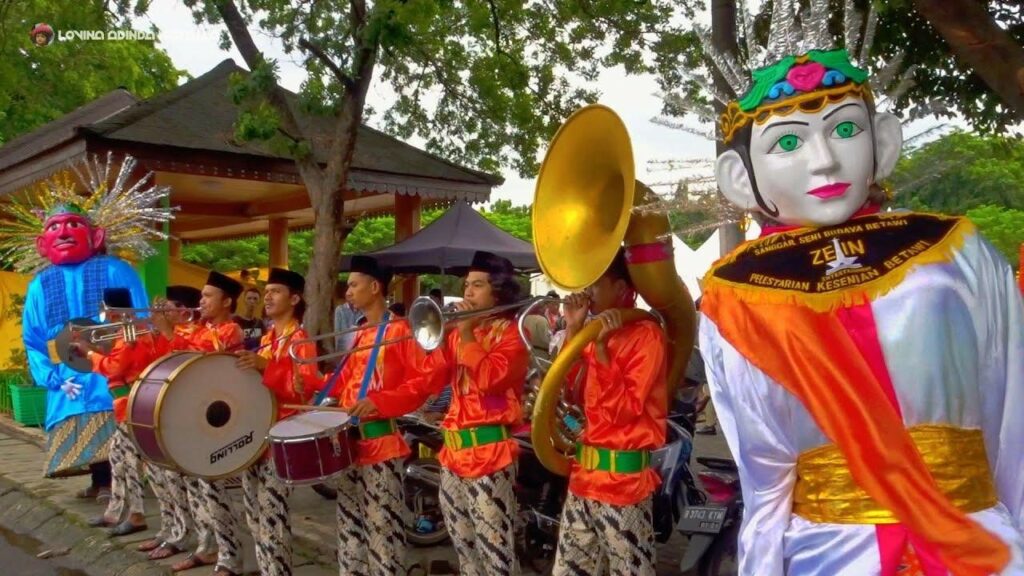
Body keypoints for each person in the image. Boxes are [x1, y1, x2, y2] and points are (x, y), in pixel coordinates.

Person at [700, 15, 1024, 574]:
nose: (823, 160)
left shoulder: (954, 250)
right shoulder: (735, 295)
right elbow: (765, 475)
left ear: (885, 142)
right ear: (739, 177)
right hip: (832, 551)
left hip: (978, 542)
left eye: (845, 130)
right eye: (787, 142)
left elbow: (1010, 411)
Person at [355, 250, 529, 576]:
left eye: (477, 286)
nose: (468, 293)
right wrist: (439, 341)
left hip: (489, 453)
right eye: (467, 285)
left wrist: (464, 335)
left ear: (499, 292)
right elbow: (431, 380)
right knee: (463, 545)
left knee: (495, 551)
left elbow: (491, 379)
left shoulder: (511, 333)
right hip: (453, 453)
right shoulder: (460, 333)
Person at [549, 249, 666, 575]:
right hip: (583, 480)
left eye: (596, 285)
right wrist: (573, 331)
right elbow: (569, 393)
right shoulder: (591, 332)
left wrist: (601, 350)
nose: (587, 293)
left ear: (621, 288)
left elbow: (625, 410)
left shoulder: (646, 335)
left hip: (622, 485)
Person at [22, 204, 148, 498]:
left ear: (97, 235)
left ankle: (119, 483)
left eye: (73, 225)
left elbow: (139, 320)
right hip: (68, 373)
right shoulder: (40, 284)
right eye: (54, 227)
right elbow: (34, 338)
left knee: (115, 420)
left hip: (114, 364)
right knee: (80, 422)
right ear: (42, 244)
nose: (63, 232)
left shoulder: (117, 270)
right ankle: (98, 481)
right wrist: (52, 378)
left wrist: (128, 360)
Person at [318, 255, 423, 575]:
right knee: (349, 526)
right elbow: (344, 383)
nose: (347, 291)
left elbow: (419, 385)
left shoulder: (402, 330)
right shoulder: (360, 333)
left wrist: (381, 401)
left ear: (375, 287)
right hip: (350, 446)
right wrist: (313, 386)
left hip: (381, 444)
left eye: (353, 285)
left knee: (383, 530)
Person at [154, 271, 246, 575]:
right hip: (196, 415)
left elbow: (203, 353)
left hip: (221, 419)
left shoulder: (231, 330)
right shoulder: (199, 327)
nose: (201, 301)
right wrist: (166, 327)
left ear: (227, 301)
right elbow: (174, 352)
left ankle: (229, 555)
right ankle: (206, 547)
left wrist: (169, 329)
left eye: (207, 296)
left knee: (215, 492)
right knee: (197, 489)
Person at [236, 268, 320, 576]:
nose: (267, 296)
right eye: (266, 290)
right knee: (254, 513)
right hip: (255, 433)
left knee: (272, 514)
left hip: (280, 436)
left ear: (295, 299)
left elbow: (306, 385)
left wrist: (266, 367)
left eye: (276, 291)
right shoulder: (268, 337)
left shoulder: (300, 340)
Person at [70, 288, 152, 536]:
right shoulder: (123, 333)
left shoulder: (129, 334)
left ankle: (136, 515)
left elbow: (115, 368)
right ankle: (114, 511)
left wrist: (89, 352)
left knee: (129, 461)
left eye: (105, 308)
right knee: (117, 457)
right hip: (124, 407)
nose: (103, 314)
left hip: (132, 407)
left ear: (114, 310)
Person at [140, 285, 204, 562]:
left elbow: (184, 364)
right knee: (163, 480)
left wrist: (166, 332)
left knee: (189, 487)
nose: (163, 313)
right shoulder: (170, 333)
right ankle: (172, 530)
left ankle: (197, 539)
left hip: (189, 417)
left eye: (168, 308)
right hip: (160, 413)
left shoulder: (197, 334)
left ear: (184, 311)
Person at [334, 283, 362, 354]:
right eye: (348, 295)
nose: (350, 297)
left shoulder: (361, 309)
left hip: (358, 343)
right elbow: (337, 331)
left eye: (352, 295)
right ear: (345, 296)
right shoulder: (340, 309)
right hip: (344, 344)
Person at [235, 286, 265, 351]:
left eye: (255, 299)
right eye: (249, 298)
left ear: (259, 302)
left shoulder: (260, 324)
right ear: (244, 300)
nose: (252, 301)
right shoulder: (234, 321)